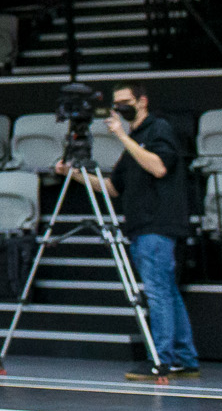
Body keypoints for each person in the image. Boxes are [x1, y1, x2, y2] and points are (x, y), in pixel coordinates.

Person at [54, 84, 198, 380]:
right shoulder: (134, 140)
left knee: (157, 293)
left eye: (125, 102)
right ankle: (185, 358)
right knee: (167, 291)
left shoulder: (158, 129)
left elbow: (159, 167)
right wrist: (74, 174)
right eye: (115, 104)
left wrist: (120, 135)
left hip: (157, 225)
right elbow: (112, 188)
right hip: (142, 226)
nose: (119, 108)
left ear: (142, 102)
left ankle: (161, 360)